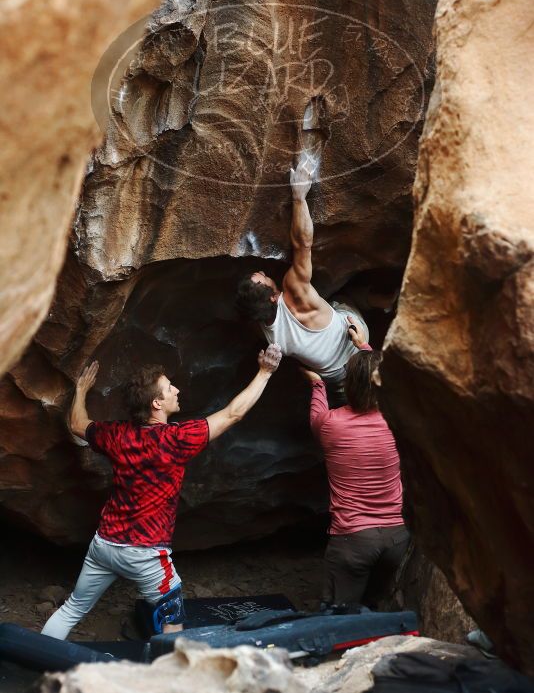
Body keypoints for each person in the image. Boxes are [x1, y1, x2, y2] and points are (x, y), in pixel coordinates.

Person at [41, 343, 282, 640]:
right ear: (157, 403)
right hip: (146, 554)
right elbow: (233, 414)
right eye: (169, 388)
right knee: (172, 618)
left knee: (73, 608)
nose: (177, 390)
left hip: (104, 546)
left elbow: (77, 424)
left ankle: (33, 666)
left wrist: (80, 390)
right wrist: (265, 372)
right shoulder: (176, 441)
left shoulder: (117, 435)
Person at [236, 157, 395, 392]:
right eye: (261, 278)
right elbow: (303, 244)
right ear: (271, 296)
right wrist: (299, 195)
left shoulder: (268, 336)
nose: (262, 272)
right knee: (344, 296)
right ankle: (383, 301)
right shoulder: (294, 290)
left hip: (335, 377)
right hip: (356, 341)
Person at [301, 320, 409, 609]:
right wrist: (364, 346)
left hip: (353, 539)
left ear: (347, 383)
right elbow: (387, 386)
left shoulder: (331, 424)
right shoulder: (396, 419)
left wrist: (317, 382)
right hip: (397, 537)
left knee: (340, 614)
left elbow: (317, 412)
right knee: (377, 605)